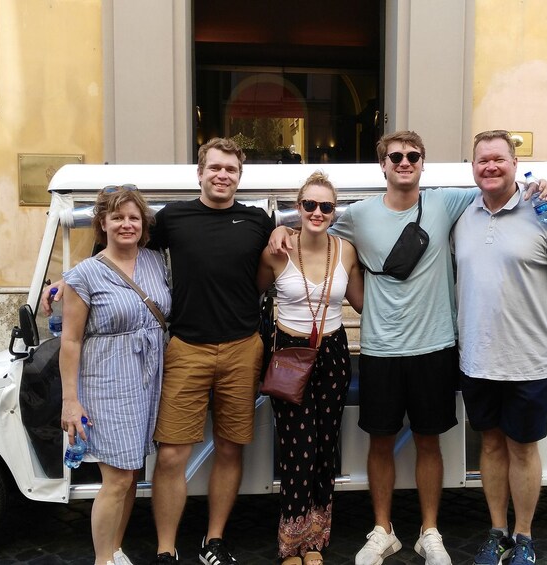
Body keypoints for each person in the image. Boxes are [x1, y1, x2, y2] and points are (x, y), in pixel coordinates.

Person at [268, 131, 547, 565]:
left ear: (423, 162)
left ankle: (430, 531)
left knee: (428, 442)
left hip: (435, 346)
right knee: (380, 442)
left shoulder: (446, 203)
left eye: (413, 156)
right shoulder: (358, 215)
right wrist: (280, 228)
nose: (405, 162)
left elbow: (497, 185)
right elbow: (314, 224)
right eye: (395, 156)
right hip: (380, 348)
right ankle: (382, 530)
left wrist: (544, 185)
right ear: (382, 165)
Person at [46, 138, 274, 565]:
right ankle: (166, 549)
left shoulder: (258, 220)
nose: (223, 175)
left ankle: (214, 541)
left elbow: (280, 257)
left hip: (244, 348)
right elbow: (118, 251)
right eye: (215, 168)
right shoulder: (173, 218)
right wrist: (64, 282)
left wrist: (283, 231)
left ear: (239, 176)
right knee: (171, 453)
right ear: (200, 173)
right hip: (185, 349)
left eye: (231, 169)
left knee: (230, 447)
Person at [455, 130, 547, 565]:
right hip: (477, 358)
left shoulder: (546, 214)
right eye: (482, 161)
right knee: (491, 446)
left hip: (529, 361)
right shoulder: (463, 215)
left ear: (516, 164)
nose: (490, 166)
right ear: (473, 168)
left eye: (498, 158)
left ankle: (524, 537)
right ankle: (497, 532)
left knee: (522, 447)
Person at [59, 184, 171, 565]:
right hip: (107, 382)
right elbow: (71, 341)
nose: (126, 224)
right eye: (118, 217)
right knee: (119, 479)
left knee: (131, 472)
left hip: (149, 380)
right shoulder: (84, 275)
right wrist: (70, 402)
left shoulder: (156, 262)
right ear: (102, 223)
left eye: (134, 218)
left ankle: (116, 550)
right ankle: (103, 559)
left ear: (143, 224)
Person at [256, 171, 364, 565]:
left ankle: (316, 541)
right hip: (289, 352)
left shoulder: (347, 251)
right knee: (296, 449)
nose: (317, 212)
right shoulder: (276, 250)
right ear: (297, 208)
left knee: (323, 447)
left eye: (326, 206)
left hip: (333, 351)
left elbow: (362, 300)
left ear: (335, 212)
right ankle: (291, 544)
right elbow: (252, 294)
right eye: (310, 204)